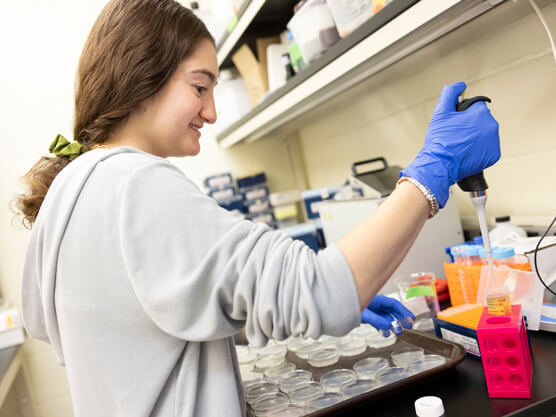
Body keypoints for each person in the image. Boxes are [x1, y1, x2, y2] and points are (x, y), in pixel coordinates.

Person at [14, 1, 500, 416]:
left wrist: (258, 314)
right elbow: (322, 293)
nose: (211, 112)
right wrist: (433, 170)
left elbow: (148, 328)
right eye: (199, 87)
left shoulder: (75, 189)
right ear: (142, 75)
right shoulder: (135, 184)